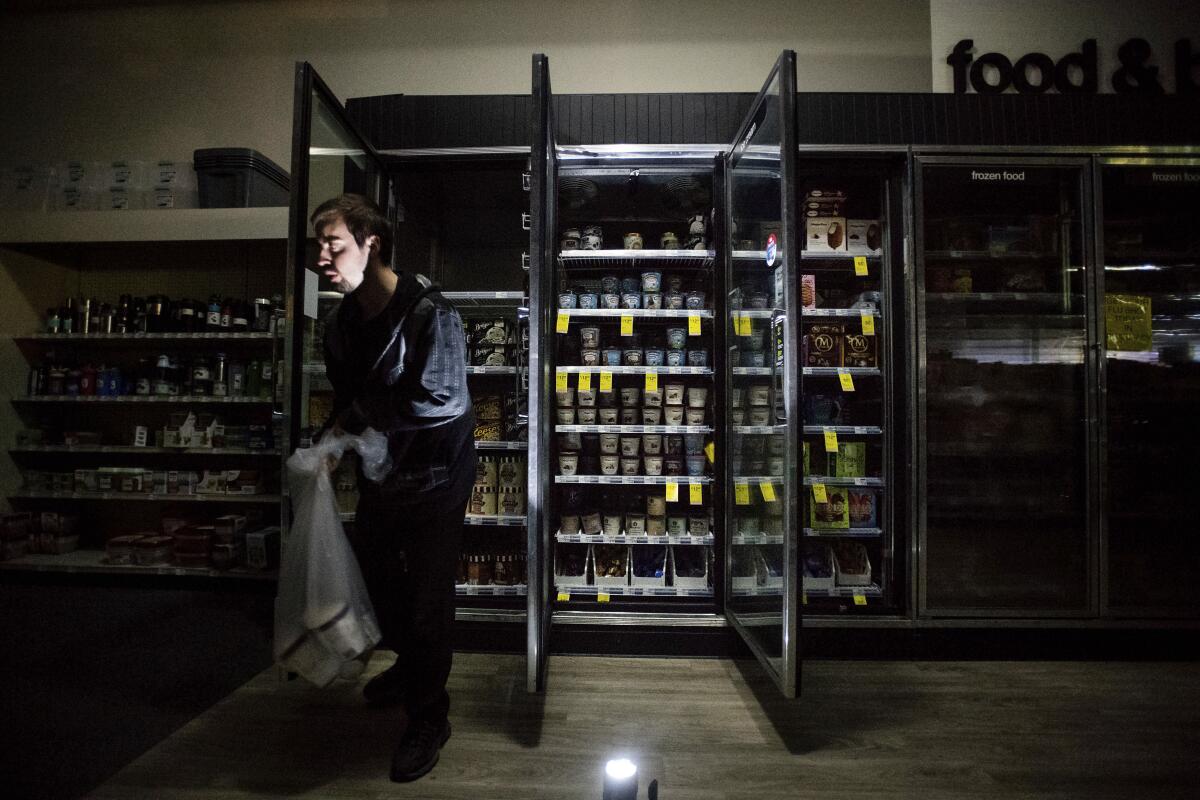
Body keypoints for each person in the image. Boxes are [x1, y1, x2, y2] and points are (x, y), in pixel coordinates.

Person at [314, 193, 475, 782]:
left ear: (370, 242)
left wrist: (358, 419)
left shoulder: (430, 312)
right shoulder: (340, 325)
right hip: (383, 476)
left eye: (332, 243)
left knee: (428, 604)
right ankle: (412, 668)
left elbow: (444, 399)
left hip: (437, 478)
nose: (322, 257)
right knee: (380, 586)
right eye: (319, 246)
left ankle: (430, 717)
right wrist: (327, 442)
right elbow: (344, 400)